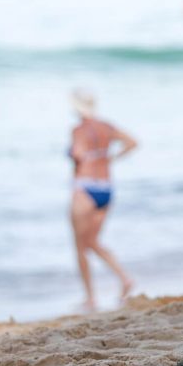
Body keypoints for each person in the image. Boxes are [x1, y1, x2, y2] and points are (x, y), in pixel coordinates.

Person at [68, 89, 137, 312]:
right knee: (93, 242)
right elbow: (133, 142)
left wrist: (79, 157)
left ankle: (90, 298)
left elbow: (78, 154)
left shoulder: (78, 130)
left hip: (85, 187)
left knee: (81, 246)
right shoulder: (106, 127)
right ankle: (124, 278)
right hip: (106, 188)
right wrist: (110, 158)